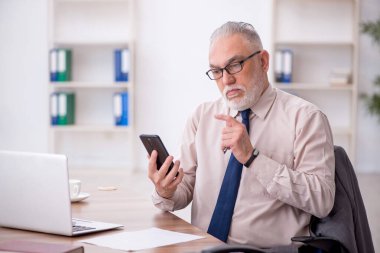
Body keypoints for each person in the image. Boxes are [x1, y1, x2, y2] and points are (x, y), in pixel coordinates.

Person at [147, 21, 335, 248]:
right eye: (216, 71)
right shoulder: (201, 117)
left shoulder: (306, 118)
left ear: (263, 61)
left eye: (235, 65)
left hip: (269, 251)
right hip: (204, 248)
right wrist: (165, 191)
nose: (226, 80)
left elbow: (322, 200)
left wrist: (253, 158)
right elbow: (184, 191)